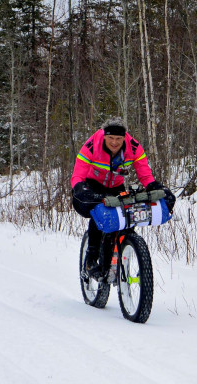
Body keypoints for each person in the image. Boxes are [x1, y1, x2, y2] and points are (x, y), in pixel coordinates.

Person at [71, 117, 175, 274]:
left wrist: (156, 187)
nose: (114, 142)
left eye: (118, 138)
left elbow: (145, 174)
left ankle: (124, 246)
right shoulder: (92, 145)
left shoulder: (133, 148)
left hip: (115, 186)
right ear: (104, 135)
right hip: (93, 185)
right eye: (110, 138)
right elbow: (78, 172)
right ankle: (91, 258)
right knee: (98, 215)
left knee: (125, 217)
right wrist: (79, 188)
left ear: (124, 137)